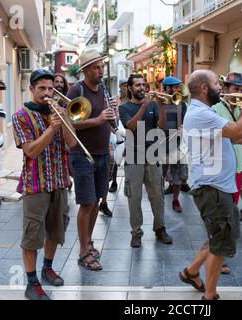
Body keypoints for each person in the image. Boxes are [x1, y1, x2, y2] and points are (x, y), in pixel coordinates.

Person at [180, 70, 242, 300]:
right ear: (204, 88)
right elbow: (240, 128)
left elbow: (227, 134)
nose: (221, 87)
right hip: (212, 188)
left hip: (219, 187)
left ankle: (191, 272)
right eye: (217, 83)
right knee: (220, 242)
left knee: (220, 235)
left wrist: (238, 138)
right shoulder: (200, 112)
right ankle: (210, 296)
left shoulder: (203, 111)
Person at [12, 69, 77, 300]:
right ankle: (31, 283)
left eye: (51, 88)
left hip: (59, 181)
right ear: (31, 89)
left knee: (56, 230)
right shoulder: (21, 116)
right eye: (42, 88)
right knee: (32, 235)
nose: (47, 93)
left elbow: (71, 144)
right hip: (36, 184)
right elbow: (30, 150)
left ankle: (47, 268)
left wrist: (65, 119)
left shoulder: (57, 112)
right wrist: (51, 128)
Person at [66, 48, 117, 270]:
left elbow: (111, 124)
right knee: (86, 203)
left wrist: (112, 113)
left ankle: (88, 242)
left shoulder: (104, 90)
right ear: (86, 69)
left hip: (103, 153)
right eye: (96, 67)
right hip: (82, 154)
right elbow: (68, 122)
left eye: (102, 67)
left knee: (96, 201)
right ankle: (83, 251)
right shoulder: (76, 90)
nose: (100, 71)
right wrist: (97, 121)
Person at [119, 74, 173, 248]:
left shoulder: (154, 105)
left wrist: (162, 108)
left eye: (143, 85)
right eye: (137, 85)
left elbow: (162, 126)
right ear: (130, 88)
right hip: (133, 157)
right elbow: (132, 126)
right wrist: (144, 106)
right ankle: (136, 233)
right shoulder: (124, 108)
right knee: (134, 198)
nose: (141, 88)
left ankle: (160, 228)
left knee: (158, 196)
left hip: (152, 155)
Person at [212, 72, 242, 273]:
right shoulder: (215, 109)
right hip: (221, 168)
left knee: (230, 212)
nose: (240, 93)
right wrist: (238, 139)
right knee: (220, 214)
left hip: (237, 166)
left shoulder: (240, 109)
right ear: (226, 89)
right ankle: (217, 256)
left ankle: (221, 253)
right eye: (236, 89)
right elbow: (217, 138)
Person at [160, 76, 188, 213]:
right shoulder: (157, 103)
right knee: (160, 174)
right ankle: (158, 199)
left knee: (177, 174)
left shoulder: (182, 104)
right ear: (167, 88)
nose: (177, 90)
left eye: (178, 87)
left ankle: (176, 200)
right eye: (175, 87)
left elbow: (186, 122)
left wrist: (184, 127)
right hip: (160, 144)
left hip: (177, 143)